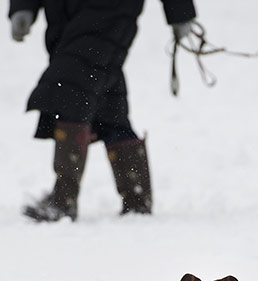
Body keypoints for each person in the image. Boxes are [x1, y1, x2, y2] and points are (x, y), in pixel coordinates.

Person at [9, 0, 197, 221]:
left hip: (110, 10)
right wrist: (23, 6)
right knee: (107, 107)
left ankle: (63, 200)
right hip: (66, 15)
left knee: (71, 89)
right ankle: (136, 198)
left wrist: (179, 11)